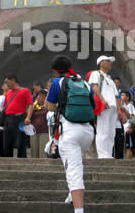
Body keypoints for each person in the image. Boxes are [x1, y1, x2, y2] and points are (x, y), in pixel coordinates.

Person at [46, 55, 95, 213]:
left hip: (70, 130)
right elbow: (92, 106)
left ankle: (79, 210)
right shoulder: (84, 83)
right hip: (87, 131)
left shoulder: (57, 82)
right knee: (76, 164)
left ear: (55, 70)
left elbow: (51, 107)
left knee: (74, 171)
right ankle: (71, 195)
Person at [88, 56, 121, 159]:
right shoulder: (96, 74)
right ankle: (102, 155)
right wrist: (102, 100)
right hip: (104, 106)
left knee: (111, 132)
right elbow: (94, 87)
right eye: (108, 61)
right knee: (103, 130)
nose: (110, 63)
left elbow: (116, 96)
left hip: (113, 108)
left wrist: (120, 110)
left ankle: (108, 154)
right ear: (101, 63)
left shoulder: (110, 79)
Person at [2, 74, 33, 158]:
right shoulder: (8, 93)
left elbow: (30, 105)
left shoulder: (25, 90)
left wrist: (28, 118)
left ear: (13, 80)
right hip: (8, 119)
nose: (6, 84)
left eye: (7, 82)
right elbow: (4, 108)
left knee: (20, 142)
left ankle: (22, 160)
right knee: (7, 143)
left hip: (19, 118)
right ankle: (7, 160)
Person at [30, 89, 49, 158]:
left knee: (42, 152)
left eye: (42, 96)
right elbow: (28, 118)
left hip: (45, 131)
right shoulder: (33, 106)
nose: (39, 98)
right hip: (34, 131)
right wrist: (32, 108)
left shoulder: (49, 107)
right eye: (38, 96)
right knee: (34, 151)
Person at [122, 92, 135, 159]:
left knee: (129, 147)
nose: (121, 97)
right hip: (126, 129)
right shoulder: (123, 105)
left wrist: (130, 127)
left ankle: (131, 161)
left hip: (129, 129)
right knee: (132, 146)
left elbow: (132, 117)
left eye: (123, 95)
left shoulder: (130, 106)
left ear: (127, 97)